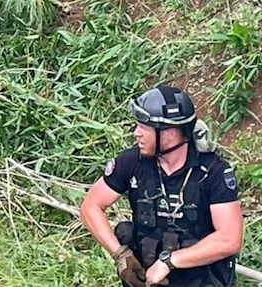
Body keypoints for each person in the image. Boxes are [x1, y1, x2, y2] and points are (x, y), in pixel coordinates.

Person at [79, 85, 243, 287]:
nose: (136, 134)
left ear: (170, 133)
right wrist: (121, 255)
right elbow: (90, 206)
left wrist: (169, 262)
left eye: (144, 127)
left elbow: (230, 239)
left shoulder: (212, 171)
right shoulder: (132, 162)